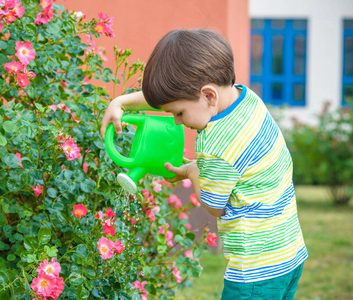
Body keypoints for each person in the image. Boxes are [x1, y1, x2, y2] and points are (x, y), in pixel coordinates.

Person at [100, 28, 307, 300]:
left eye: (179, 113)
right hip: (289, 253)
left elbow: (213, 205)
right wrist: (122, 102)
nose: (175, 120)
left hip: (255, 273)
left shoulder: (215, 145)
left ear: (209, 96)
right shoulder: (247, 99)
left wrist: (191, 170)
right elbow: (175, 96)